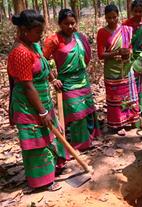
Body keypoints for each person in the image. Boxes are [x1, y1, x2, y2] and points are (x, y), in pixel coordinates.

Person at [7, 10, 67, 193]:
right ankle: (41, 181)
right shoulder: (21, 53)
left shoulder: (34, 45)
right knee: (36, 142)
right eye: (37, 32)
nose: (41, 35)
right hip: (28, 104)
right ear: (24, 30)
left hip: (42, 99)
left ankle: (53, 170)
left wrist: (52, 79)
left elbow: (44, 64)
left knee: (49, 136)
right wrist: (41, 112)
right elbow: (27, 86)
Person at [43, 9, 100, 150]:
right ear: (59, 24)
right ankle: (79, 144)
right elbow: (42, 60)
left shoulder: (80, 37)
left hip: (83, 79)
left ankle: (90, 139)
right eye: (66, 24)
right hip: (67, 83)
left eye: (72, 23)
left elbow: (87, 56)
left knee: (87, 111)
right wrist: (53, 79)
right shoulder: (54, 40)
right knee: (76, 114)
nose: (70, 27)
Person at [97, 4, 139, 135]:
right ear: (105, 18)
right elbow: (100, 55)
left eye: (114, 17)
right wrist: (116, 52)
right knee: (115, 98)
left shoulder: (126, 29)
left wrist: (128, 52)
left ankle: (129, 120)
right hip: (112, 71)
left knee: (127, 95)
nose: (112, 20)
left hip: (126, 68)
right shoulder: (102, 32)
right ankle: (117, 124)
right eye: (109, 18)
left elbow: (132, 47)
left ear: (118, 16)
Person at [123, 0, 142, 107]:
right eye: (135, 11)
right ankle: (133, 110)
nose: (138, 14)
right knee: (131, 85)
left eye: (140, 11)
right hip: (130, 60)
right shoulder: (126, 25)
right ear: (131, 11)